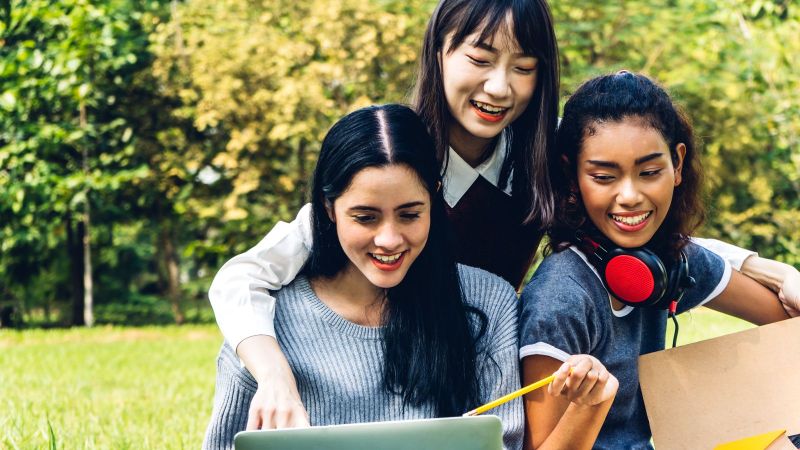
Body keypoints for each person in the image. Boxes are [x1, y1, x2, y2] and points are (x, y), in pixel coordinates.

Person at [207, 0, 800, 431]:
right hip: (400, 371)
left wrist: (768, 269)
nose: (500, 86)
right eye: (481, 58)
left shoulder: (534, 171)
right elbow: (241, 278)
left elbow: (639, 223)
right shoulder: (396, 171)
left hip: (485, 368)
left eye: (524, 66)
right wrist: (275, 374)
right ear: (437, 53)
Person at [203, 104, 615, 449]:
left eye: (410, 214)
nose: (388, 240)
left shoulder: (488, 304)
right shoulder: (262, 327)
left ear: (434, 198)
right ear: (329, 209)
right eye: (365, 217)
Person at [518, 71, 792, 450]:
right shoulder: (560, 298)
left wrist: (786, 277)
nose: (629, 196)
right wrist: (590, 405)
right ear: (571, 177)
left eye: (649, 172)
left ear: (677, 164)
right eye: (603, 176)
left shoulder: (670, 261)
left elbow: (785, 322)